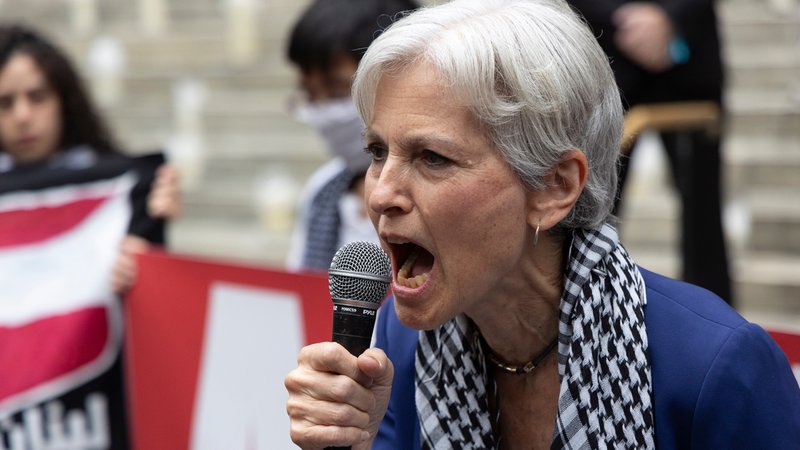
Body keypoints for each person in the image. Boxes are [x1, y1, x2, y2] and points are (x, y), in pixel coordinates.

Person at [284, 1, 800, 449]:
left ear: (554, 187)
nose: (379, 194)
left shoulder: (716, 366)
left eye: (433, 158)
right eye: (378, 151)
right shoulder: (399, 341)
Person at [0, 23, 179, 449]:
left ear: (65, 101)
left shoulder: (127, 191)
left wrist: (152, 263)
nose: (23, 115)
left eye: (37, 97)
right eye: (5, 102)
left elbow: (155, 326)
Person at [566, 0, 732, 303]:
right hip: (608, 60)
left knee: (703, 220)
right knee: (590, 216)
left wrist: (670, 17)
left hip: (687, 56)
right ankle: (591, 314)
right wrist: (626, 18)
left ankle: (716, 323)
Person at [284, 0, 419, 271]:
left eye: (336, 92)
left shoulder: (434, 194)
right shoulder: (321, 192)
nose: (322, 110)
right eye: (309, 95)